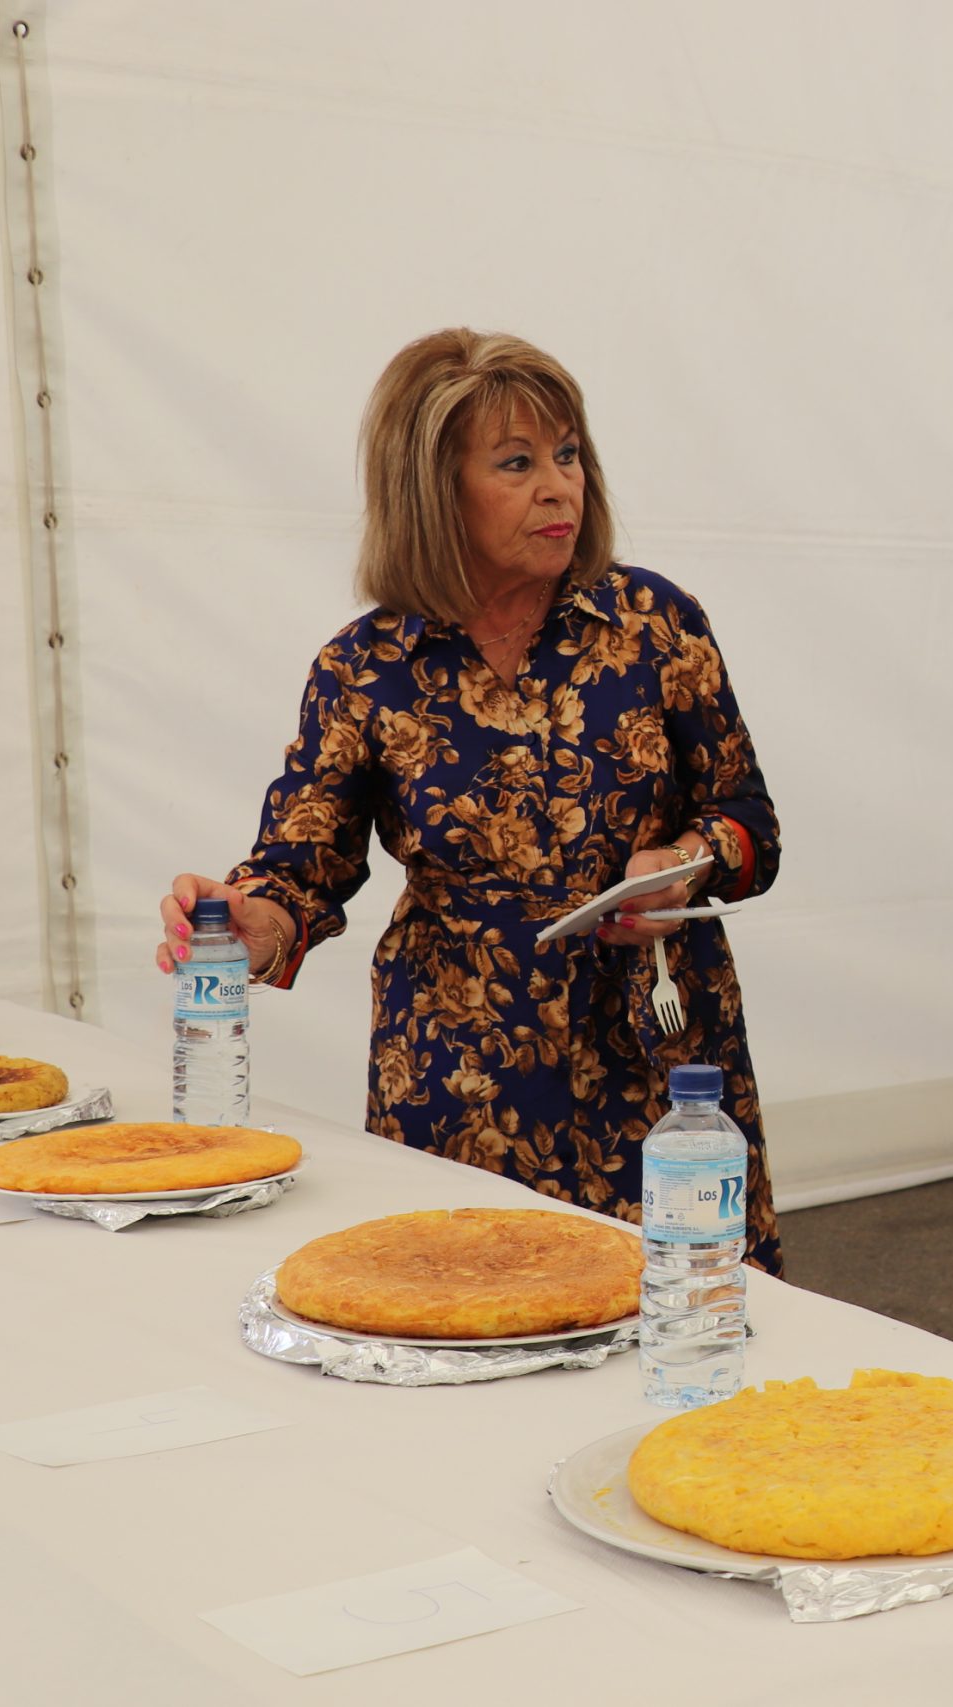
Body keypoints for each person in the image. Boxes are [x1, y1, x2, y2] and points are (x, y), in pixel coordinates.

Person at [153, 329, 784, 1271]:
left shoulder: (655, 624)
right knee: (459, 1303)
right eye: (517, 463)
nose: (559, 487)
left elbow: (748, 821)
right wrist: (254, 926)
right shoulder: (363, 668)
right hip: (458, 1079)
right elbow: (301, 866)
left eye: (568, 454)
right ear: (433, 489)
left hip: (658, 1072)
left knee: (680, 1306)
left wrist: (685, 864)